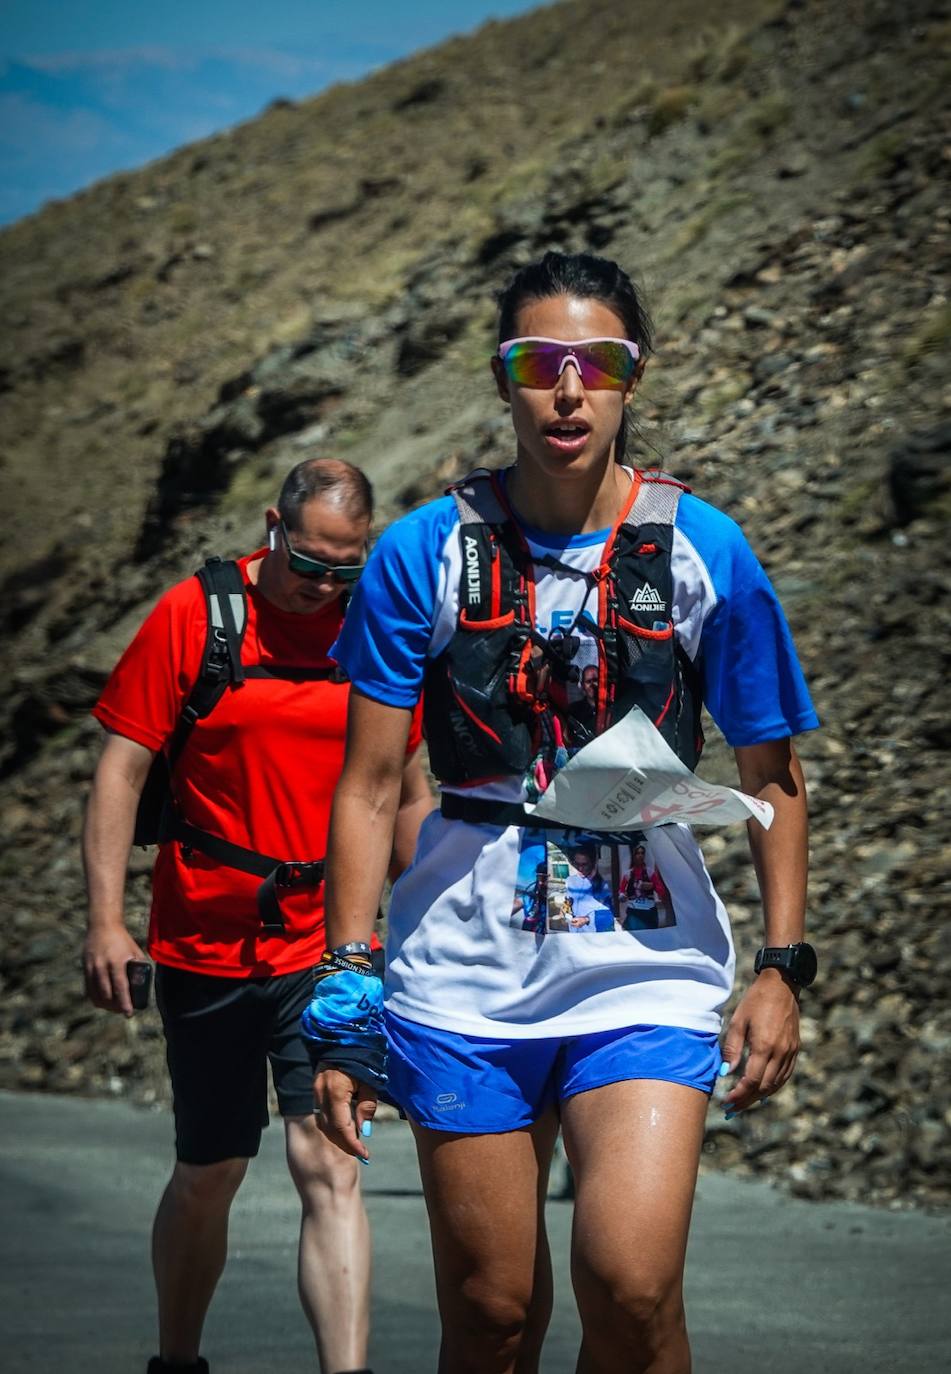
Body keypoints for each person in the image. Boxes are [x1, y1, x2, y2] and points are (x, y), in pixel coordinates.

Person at [308, 252, 819, 1374]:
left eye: (600, 364)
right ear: (505, 381)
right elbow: (370, 784)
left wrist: (782, 966)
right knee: (493, 1315)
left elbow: (772, 775)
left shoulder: (704, 550)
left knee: (630, 1288)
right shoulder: (420, 553)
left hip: (645, 959)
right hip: (462, 969)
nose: (570, 390)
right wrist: (347, 980)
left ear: (635, 378)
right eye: (541, 364)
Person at [82, 458, 431, 1374]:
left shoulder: (377, 626)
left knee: (328, 1164)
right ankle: (177, 1359)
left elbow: (402, 788)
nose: (320, 585)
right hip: (202, 935)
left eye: (342, 568)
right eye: (306, 560)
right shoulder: (196, 615)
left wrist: (439, 915)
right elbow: (120, 769)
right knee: (211, 1172)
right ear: (273, 525)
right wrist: (106, 920)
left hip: (326, 943)